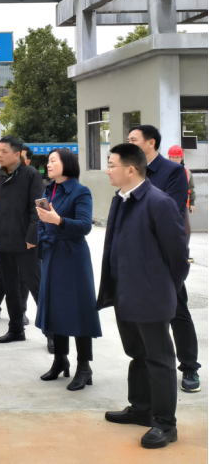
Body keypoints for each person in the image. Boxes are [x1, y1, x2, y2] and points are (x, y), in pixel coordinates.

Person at [98, 143, 189, 449]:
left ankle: (165, 424)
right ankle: (141, 409)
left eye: (111, 165)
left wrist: (164, 289)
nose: (107, 171)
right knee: (137, 353)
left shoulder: (158, 202)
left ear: (130, 170)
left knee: (159, 360)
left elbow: (178, 256)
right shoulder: (121, 199)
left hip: (151, 297)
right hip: (125, 294)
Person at [128, 125, 200, 393]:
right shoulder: (132, 170)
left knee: (177, 308)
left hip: (164, 252)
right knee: (142, 312)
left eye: (134, 140)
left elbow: (171, 212)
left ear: (151, 142)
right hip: (137, 253)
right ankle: (151, 366)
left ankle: (189, 366)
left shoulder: (173, 171)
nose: (130, 144)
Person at [35, 149, 102, 391]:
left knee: (79, 309)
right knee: (55, 308)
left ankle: (84, 366)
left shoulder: (80, 191)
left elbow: (85, 226)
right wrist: (43, 236)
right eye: (48, 161)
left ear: (68, 163)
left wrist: (58, 221)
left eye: (53, 160)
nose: (49, 164)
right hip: (52, 254)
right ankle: (60, 360)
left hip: (73, 256)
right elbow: (42, 222)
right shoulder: (49, 189)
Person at [0, 136, 44, 344]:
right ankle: (16, 329)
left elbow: (39, 208)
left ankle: (53, 335)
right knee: (11, 290)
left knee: (38, 289)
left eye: (4, 151)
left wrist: (33, 236)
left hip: (27, 244)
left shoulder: (32, 175)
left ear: (17, 154)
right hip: (3, 242)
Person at [167, 145, 197, 264]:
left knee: (185, 230)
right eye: (173, 157)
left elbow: (191, 188)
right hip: (166, 206)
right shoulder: (164, 171)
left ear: (182, 158)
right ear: (169, 157)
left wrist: (192, 203)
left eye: (177, 157)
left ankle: (183, 254)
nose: (175, 159)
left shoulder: (187, 172)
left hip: (183, 206)